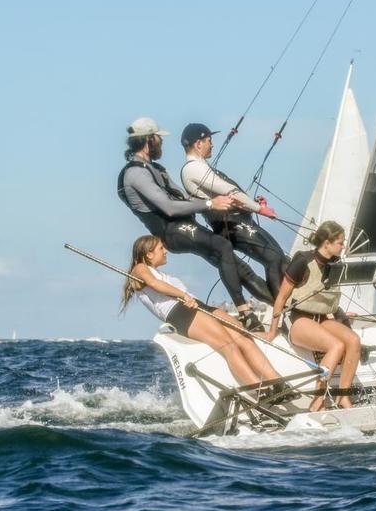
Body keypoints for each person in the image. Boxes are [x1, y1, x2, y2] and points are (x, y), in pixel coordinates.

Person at [116, 117, 270, 331]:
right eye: (159, 138)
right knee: (223, 246)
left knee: (238, 267)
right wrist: (209, 203)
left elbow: (182, 199)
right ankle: (245, 313)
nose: (162, 143)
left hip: (184, 227)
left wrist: (227, 202)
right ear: (149, 140)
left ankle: (283, 308)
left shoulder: (156, 168)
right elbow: (168, 207)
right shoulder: (135, 173)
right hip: (170, 232)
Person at [120, 235, 282, 388]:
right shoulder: (139, 269)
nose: (165, 251)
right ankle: (260, 389)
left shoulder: (160, 272)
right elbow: (155, 284)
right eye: (161, 248)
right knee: (229, 346)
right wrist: (182, 294)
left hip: (195, 305)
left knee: (243, 337)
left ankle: (277, 382)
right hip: (180, 311)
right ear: (149, 254)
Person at [179, 122, 290, 299]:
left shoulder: (202, 167)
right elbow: (229, 190)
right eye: (209, 140)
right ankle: (283, 312)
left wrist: (252, 203)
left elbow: (230, 196)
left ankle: (289, 308)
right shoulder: (193, 169)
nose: (212, 144)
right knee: (274, 259)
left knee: (280, 259)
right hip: (232, 225)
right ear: (198, 144)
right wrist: (259, 209)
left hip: (238, 222)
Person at [267, 221, 361, 412]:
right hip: (298, 320)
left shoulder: (336, 265)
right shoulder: (303, 260)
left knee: (353, 340)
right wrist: (272, 331)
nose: (343, 247)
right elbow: (282, 297)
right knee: (336, 346)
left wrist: (342, 317)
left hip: (322, 319)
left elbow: (327, 298)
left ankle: (343, 396)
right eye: (340, 243)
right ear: (327, 243)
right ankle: (318, 400)